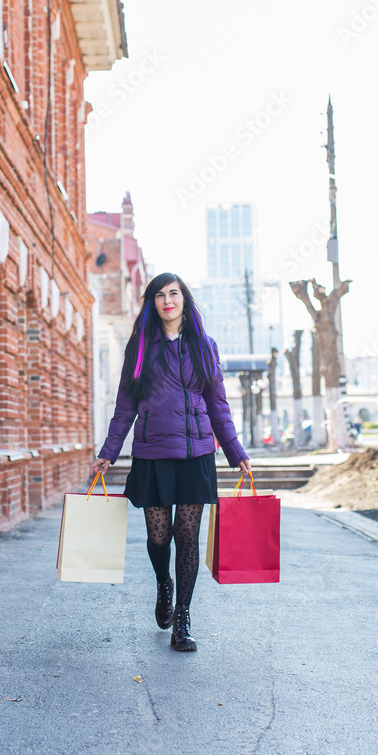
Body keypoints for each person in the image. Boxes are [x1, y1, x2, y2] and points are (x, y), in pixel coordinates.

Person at [91, 272, 250, 653]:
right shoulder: (140, 347)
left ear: (184, 299)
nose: (167, 301)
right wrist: (109, 451)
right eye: (160, 295)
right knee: (159, 537)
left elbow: (217, 404)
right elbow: (125, 405)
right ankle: (164, 583)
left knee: (186, 537)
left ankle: (183, 617)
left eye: (173, 293)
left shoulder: (204, 347)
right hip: (153, 454)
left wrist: (235, 451)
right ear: (153, 302)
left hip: (196, 455)